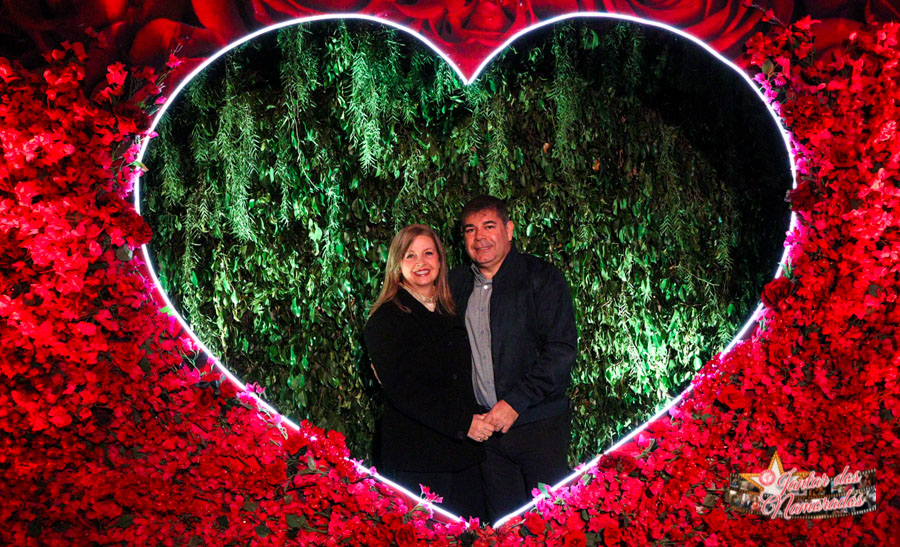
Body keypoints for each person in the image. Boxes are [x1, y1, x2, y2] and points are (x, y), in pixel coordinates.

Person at [449, 196, 577, 521]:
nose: (479, 237)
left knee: (553, 525)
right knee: (504, 528)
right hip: (487, 438)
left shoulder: (541, 277)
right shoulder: (456, 285)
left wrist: (516, 402)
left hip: (539, 427)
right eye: (470, 230)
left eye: (489, 226)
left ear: (509, 230)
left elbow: (560, 352)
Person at [363, 224, 493, 519]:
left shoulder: (453, 308)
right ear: (397, 264)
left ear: (440, 259)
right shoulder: (385, 320)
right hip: (418, 458)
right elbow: (404, 392)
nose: (420, 263)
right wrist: (463, 423)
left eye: (428, 253)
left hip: (464, 456)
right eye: (410, 256)